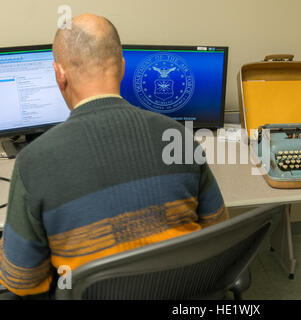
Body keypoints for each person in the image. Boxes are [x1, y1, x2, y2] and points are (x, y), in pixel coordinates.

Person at [0, 14, 228, 298]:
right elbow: (217, 232)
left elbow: (22, 282)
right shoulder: (179, 136)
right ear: (122, 67)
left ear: (59, 75)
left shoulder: (32, 162)